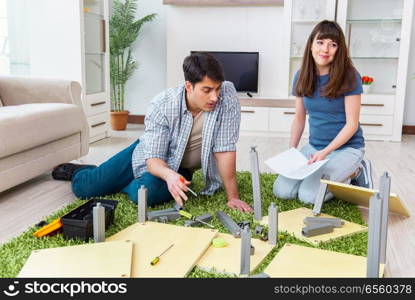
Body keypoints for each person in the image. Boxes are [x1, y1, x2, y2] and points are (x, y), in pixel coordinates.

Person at [52, 52, 253, 212]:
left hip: (179, 168)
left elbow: (224, 149)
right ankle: (80, 171)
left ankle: (121, 182)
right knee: (87, 189)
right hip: (146, 155)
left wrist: (233, 197)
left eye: (217, 89)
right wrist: (167, 175)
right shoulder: (162, 104)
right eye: (207, 90)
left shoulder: (227, 95)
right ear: (189, 86)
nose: (215, 97)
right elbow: (154, 160)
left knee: (146, 195)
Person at [273, 20, 373, 204]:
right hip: (314, 147)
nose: (325, 49)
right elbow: (299, 119)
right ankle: (329, 172)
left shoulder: (350, 76)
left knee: (309, 196)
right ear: (311, 45)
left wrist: (326, 151)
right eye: (320, 42)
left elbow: (352, 124)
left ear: (339, 50)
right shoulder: (301, 75)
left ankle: (356, 171)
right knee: (282, 191)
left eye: (332, 45)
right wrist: (292, 151)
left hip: (347, 148)